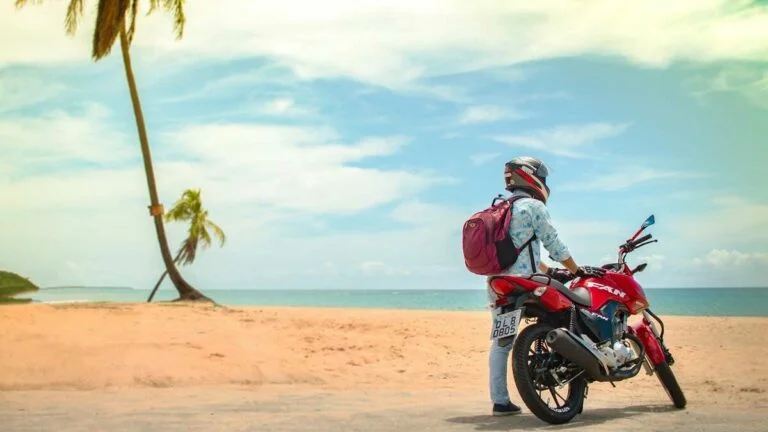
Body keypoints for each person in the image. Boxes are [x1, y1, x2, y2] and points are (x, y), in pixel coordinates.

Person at [487, 156, 605, 416]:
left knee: (501, 344)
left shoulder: (499, 208)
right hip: (527, 282)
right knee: (568, 318)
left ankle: (500, 402)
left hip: (499, 284)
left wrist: (548, 270)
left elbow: (518, 250)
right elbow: (553, 243)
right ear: (531, 177)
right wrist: (575, 270)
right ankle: (575, 379)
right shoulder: (532, 206)